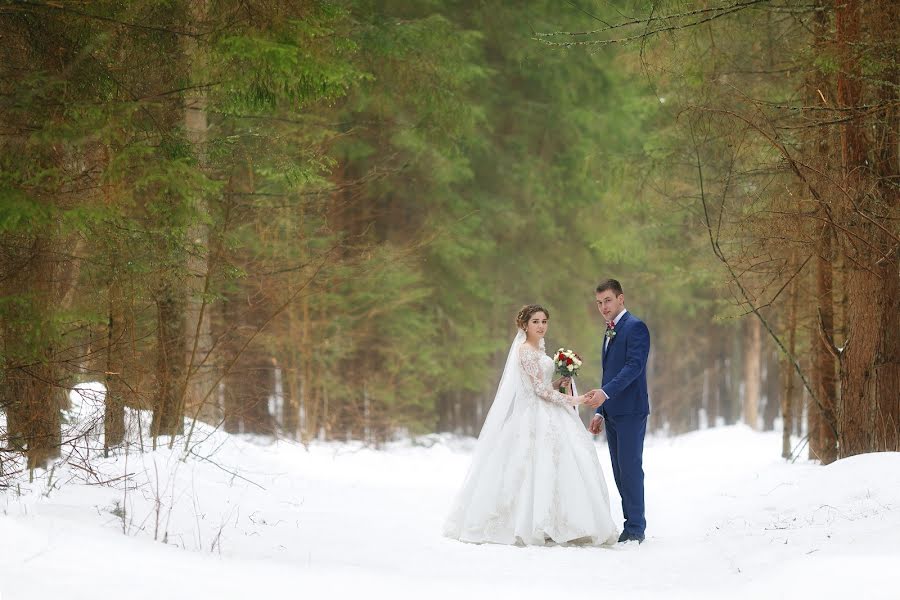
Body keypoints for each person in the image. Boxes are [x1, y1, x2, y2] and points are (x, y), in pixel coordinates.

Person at [443, 304, 618, 546]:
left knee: (562, 462)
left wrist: (561, 382)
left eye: (544, 321)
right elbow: (538, 391)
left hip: (549, 411)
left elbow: (544, 385)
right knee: (532, 465)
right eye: (535, 321)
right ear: (524, 325)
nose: (541, 326)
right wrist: (575, 399)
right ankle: (531, 523)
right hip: (533, 416)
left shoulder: (539, 349)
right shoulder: (525, 350)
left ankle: (561, 521)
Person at [588, 279, 650, 544]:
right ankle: (630, 524)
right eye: (599, 303)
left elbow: (633, 367)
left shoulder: (635, 327)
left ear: (621, 299)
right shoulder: (609, 330)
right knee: (618, 470)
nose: (603, 307)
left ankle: (636, 528)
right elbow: (609, 373)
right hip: (612, 411)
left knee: (630, 469)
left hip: (631, 410)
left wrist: (606, 393)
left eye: (608, 301)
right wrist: (601, 410)